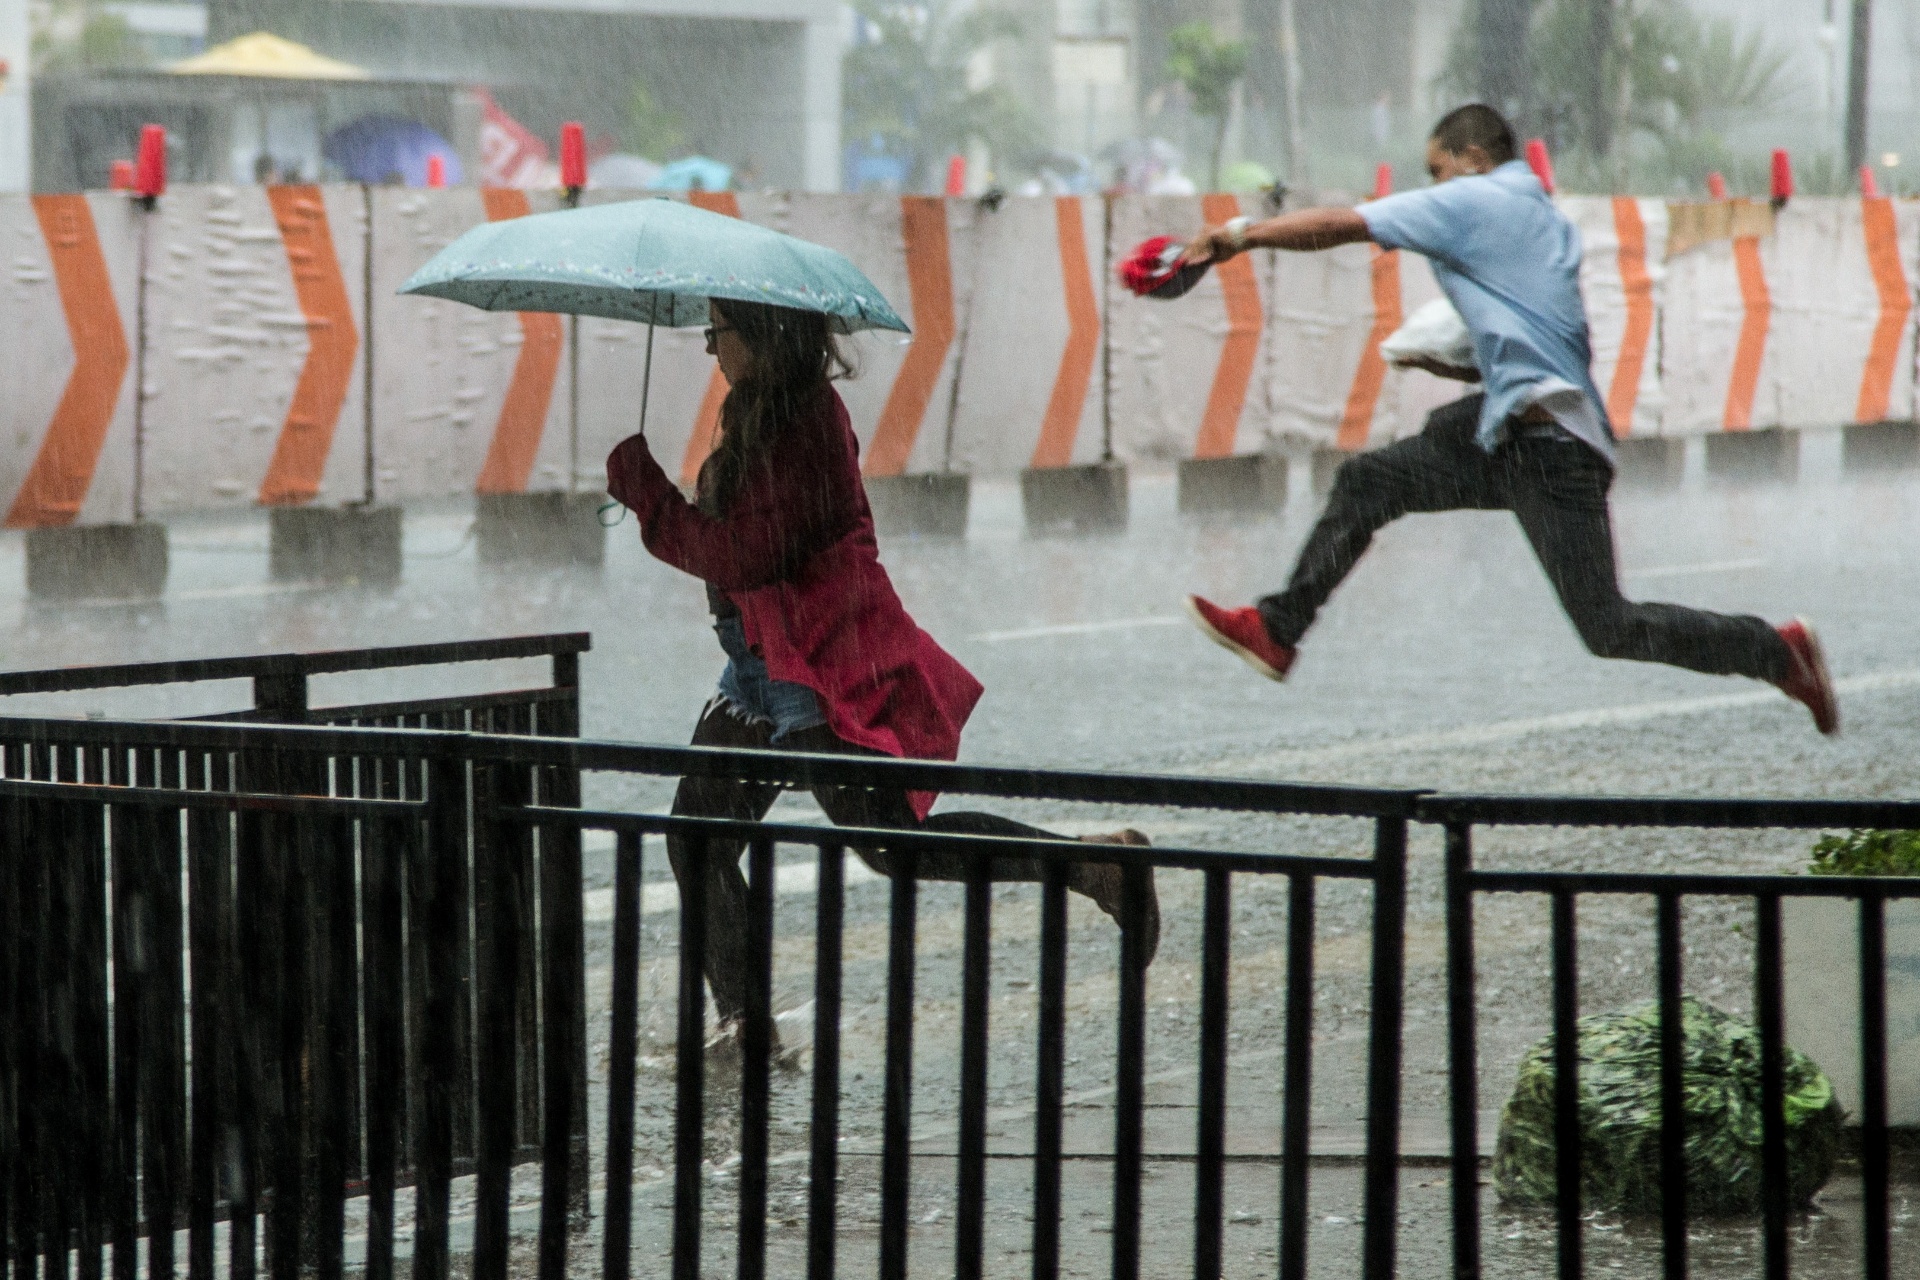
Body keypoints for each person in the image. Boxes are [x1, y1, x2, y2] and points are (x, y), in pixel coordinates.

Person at [1178, 103, 1839, 735]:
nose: (1430, 186)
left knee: (1606, 625)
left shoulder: (1476, 198)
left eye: (1435, 169)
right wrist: (1464, 369)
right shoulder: (1539, 216)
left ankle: (1776, 652)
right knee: (1372, 479)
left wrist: (1237, 236)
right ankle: (1277, 628)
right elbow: (1536, 339)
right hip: (1521, 438)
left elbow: (1345, 225)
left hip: (1549, 451)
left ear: (1470, 158)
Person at [606, 297, 1159, 1031]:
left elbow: (744, 555)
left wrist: (652, 501)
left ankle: (1098, 866)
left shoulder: (805, 423)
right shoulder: (759, 410)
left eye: (718, 333)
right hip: (759, 672)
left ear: (762, 334)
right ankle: (743, 1024)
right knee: (697, 842)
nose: (711, 351)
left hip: (819, 667)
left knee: (894, 846)